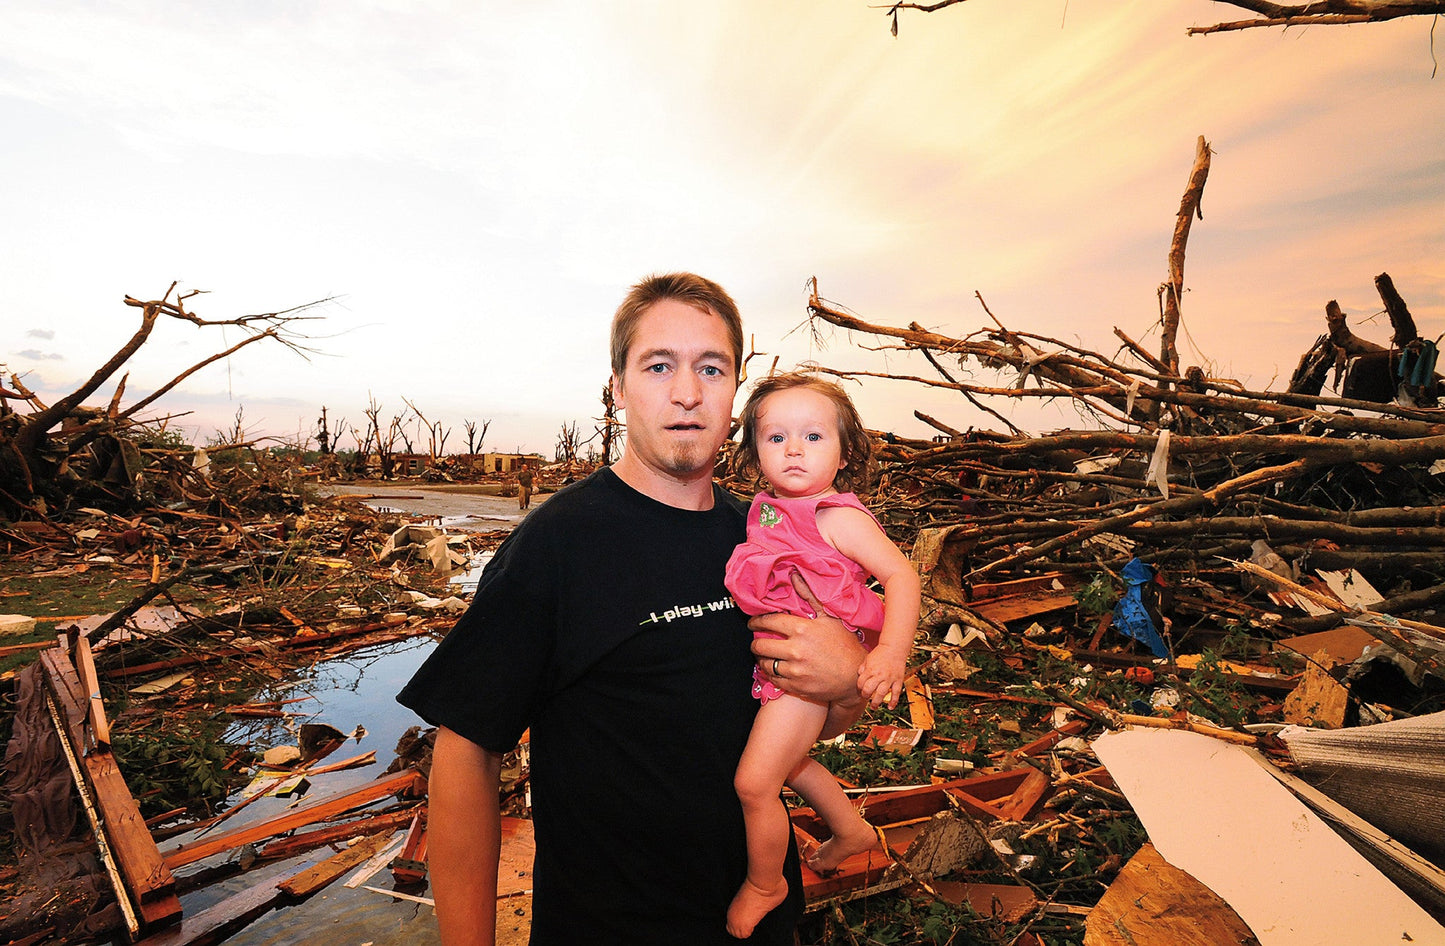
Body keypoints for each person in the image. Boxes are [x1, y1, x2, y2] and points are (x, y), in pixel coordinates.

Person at [396, 273, 868, 946]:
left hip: (763, 923)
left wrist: (847, 683)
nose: (687, 392)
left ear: (736, 388)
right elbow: (468, 750)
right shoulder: (560, 543)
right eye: (658, 366)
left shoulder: (763, 540)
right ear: (617, 387)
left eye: (712, 367)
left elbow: (804, 724)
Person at [722, 372, 921, 938]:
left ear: (845, 452)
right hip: (784, 662)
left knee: (755, 785)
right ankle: (851, 831)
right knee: (791, 765)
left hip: (807, 668)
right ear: (754, 451)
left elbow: (902, 576)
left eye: (813, 436)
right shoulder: (767, 508)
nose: (793, 450)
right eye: (776, 437)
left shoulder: (837, 517)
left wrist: (891, 653)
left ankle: (767, 883)